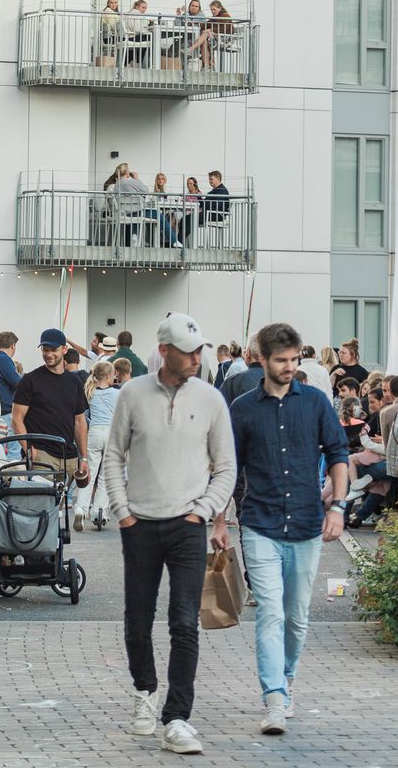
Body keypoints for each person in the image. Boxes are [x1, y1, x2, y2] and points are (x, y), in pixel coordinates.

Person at [102, 313, 235, 755]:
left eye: (200, 349)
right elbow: (114, 454)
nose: (197, 357)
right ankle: (145, 691)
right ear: (165, 351)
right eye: (188, 350)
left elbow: (226, 467)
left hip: (187, 526)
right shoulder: (132, 394)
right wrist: (122, 512)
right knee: (137, 620)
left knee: (184, 622)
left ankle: (177, 717)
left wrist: (203, 512)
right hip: (139, 523)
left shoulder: (211, 398)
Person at [220, 322, 348, 736]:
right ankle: (274, 697)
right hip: (259, 521)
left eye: (295, 359)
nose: (290, 366)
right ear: (261, 359)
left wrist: (340, 507)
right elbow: (228, 467)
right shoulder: (242, 408)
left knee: (296, 616)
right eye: (282, 360)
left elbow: (338, 452)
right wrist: (219, 519)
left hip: (309, 522)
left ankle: (288, 679)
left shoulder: (314, 402)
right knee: (270, 613)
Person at [9, 329, 90, 487]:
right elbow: (16, 419)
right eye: (45, 350)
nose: (49, 354)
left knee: (60, 509)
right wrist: (28, 449)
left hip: (69, 458)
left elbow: (79, 421)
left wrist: (84, 458)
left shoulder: (74, 383)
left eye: (54, 350)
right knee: (41, 507)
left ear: (64, 350)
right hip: (42, 455)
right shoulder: (30, 380)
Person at [76, 360, 119, 531]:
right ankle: (99, 510)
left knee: (90, 473)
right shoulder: (117, 394)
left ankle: (81, 508)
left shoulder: (89, 392)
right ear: (109, 376)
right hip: (111, 433)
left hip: (93, 432)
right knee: (105, 475)